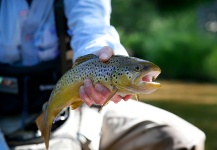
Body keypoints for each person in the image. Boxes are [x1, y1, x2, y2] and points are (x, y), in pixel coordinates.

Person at [0, 0, 205, 150]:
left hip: (81, 111)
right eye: (137, 70)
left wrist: (102, 50)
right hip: (7, 124)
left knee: (184, 139)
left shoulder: (114, 78)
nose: (144, 73)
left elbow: (92, 25)